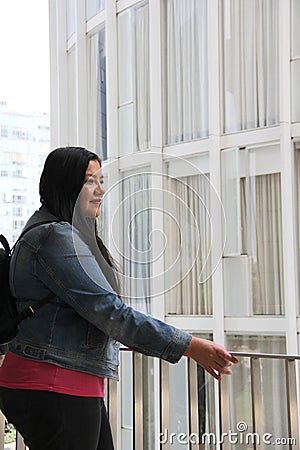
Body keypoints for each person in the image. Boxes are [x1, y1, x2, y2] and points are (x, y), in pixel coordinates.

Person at [0, 147, 237, 450]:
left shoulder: (54, 234)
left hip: (66, 382)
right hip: (52, 383)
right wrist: (189, 346)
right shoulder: (54, 238)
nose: (100, 190)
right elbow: (111, 313)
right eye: (89, 181)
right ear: (64, 184)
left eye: (101, 180)